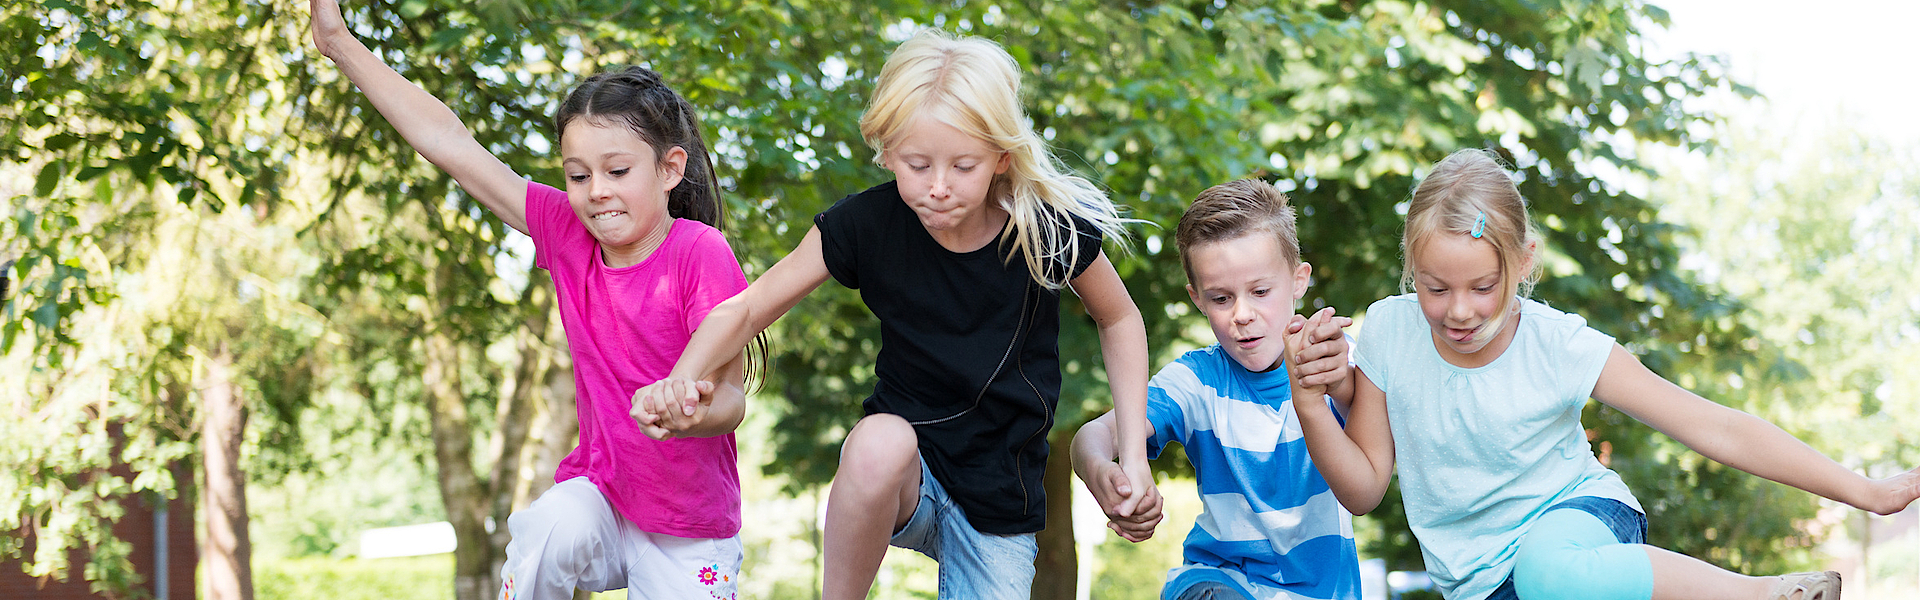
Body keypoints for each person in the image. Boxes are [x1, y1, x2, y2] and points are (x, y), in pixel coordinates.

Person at [632, 29, 1155, 600]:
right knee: (878, 440)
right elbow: (749, 306)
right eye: (916, 163)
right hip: (903, 473)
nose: (937, 187)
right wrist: (682, 378)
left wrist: (1133, 456)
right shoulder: (866, 225)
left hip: (1001, 498)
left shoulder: (1045, 231)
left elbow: (1120, 319)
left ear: (1002, 157)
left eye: (962, 166)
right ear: (886, 150)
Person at [1286, 148, 1920, 600]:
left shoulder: (1557, 346)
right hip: (1479, 583)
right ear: (1410, 271)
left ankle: (1759, 596)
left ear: (1523, 262)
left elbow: (1714, 427)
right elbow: (1364, 490)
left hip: (1581, 523)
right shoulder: (1391, 332)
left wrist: (1867, 492)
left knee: (1549, 574)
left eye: (1484, 286)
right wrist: (1313, 405)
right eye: (1435, 288)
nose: (1459, 310)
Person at [311, 1, 758, 597]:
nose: (596, 192)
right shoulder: (566, 231)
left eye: (618, 171)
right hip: (601, 497)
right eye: (578, 176)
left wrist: (691, 414)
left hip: (688, 525)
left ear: (670, 168)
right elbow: (448, 140)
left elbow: (731, 400)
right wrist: (339, 42)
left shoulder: (700, 253)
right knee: (550, 526)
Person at [1072, 179, 1368, 600]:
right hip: (1218, 582)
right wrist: (1099, 469)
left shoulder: (1335, 358)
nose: (1242, 315)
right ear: (1197, 298)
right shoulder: (1196, 381)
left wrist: (1338, 381)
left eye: (1261, 292)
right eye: (1221, 299)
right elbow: (1093, 436)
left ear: (1299, 280)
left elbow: (1367, 418)